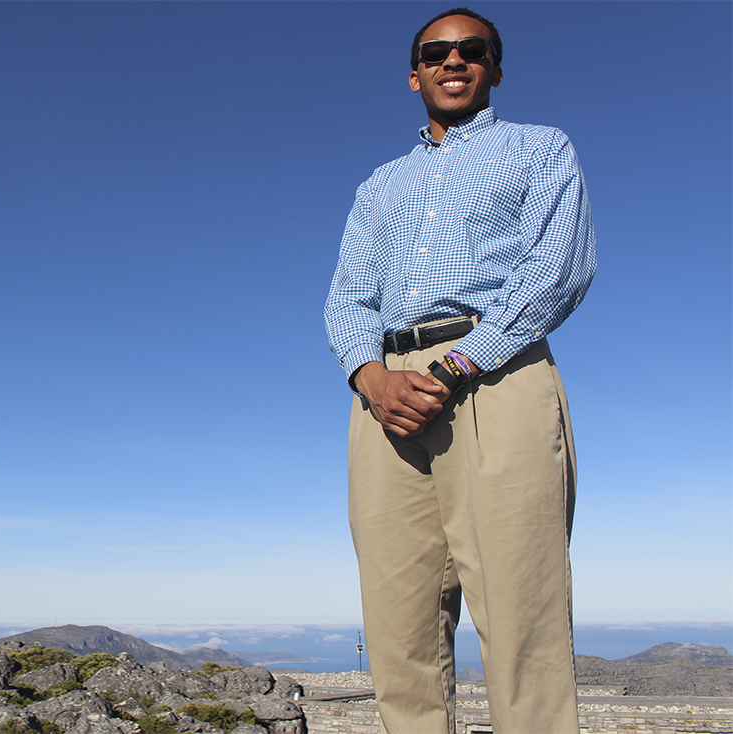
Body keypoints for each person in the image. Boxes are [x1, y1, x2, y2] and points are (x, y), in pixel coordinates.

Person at [323, 7, 595, 733]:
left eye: (471, 50)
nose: (452, 60)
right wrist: (371, 378)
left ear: (494, 69)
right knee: (396, 627)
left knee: (520, 614)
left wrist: (456, 365)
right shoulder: (378, 186)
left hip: (494, 376)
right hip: (385, 397)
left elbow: (557, 270)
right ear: (412, 73)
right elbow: (347, 298)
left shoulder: (540, 150)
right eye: (434, 52)